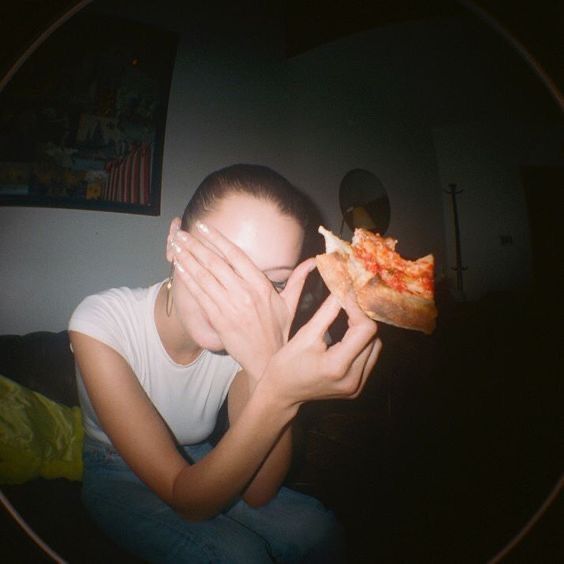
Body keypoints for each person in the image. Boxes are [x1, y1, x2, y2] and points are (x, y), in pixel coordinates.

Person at [69, 164, 382, 563]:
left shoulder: (255, 333)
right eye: (223, 263)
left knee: (318, 531)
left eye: (274, 281)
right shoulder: (100, 321)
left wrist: (272, 369)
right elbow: (189, 500)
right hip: (113, 474)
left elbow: (260, 491)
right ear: (174, 241)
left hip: (200, 455)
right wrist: (280, 393)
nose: (244, 300)